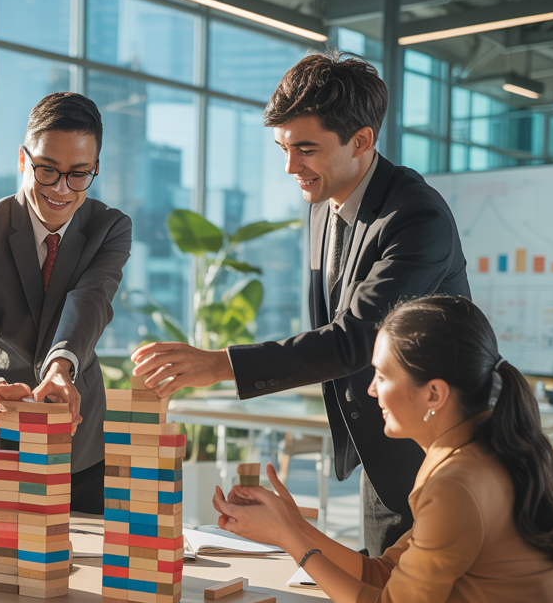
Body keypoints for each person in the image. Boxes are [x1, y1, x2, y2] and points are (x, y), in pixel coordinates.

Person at [131, 52, 469, 554]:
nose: (291, 167)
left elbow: (357, 337)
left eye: (305, 149)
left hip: (439, 454)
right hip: (384, 446)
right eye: (283, 148)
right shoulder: (326, 205)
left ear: (361, 141)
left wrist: (219, 364)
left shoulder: (416, 217)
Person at [213, 295, 553, 603]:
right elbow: (383, 575)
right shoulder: (481, 450)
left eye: (381, 375)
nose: (372, 390)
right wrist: (298, 527)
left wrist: (293, 540)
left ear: (434, 394)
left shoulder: (455, 483)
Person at [0, 92, 132, 514]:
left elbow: (90, 302)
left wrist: (60, 367)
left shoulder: (110, 227)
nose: (61, 190)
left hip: (77, 446)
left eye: (79, 174)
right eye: (47, 170)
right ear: (22, 158)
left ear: (95, 168)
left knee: (85, 572)